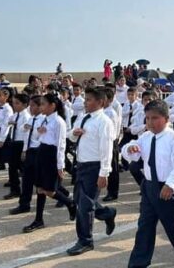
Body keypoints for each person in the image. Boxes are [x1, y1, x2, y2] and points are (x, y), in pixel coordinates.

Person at [122, 99, 174, 268]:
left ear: (166, 118)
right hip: (149, 187)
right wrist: (130, 148)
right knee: (144, 227)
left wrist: (171, 185)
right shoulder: (146, 137)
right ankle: (138, 263)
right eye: (147, 118)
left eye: (155, 118)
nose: (150, 122)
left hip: (168, 189)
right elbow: (132, 149)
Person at [66, 87, 117, 256]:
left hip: (94, 167)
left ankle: (85, 241)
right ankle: (107, 213)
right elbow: (71, 136)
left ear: (100, 102)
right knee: (82, 200)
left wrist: (104, 173)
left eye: (88, 99)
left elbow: (106, 149)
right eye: (85, 99)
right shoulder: (83, 117)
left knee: (85, 206)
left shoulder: (104, 121)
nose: (85, 102)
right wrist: (74, 133)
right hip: (80, 165)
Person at [23, 94, 77, 233]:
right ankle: (38, 219)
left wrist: (60, 166)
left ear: (52, 105)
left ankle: (69, 203)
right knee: (40, 188)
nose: (41, 107)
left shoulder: (58, 121)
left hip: (52, 155)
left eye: (43, 104)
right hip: (42, 151)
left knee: (49, 190)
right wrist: (39, 132)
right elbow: (38, 136)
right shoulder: (45, 120)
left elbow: (61, 145)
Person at [9, 96, 45, 215]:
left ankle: (63, 195)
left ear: (41, 106)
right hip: (29, 151)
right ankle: (24, 204)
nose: (31, 108)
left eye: (34, 105)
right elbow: (24, 133)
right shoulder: (31, 119)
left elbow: (42, 138)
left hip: (39, 152)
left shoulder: (43, 120)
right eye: (30, 105)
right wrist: (24, 150)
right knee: (27, 180)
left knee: (41, 182)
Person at [3, 94, 31, 200]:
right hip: (14, 142)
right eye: (14, 103)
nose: (14, 105)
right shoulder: (15, 115)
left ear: (24, 104)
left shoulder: (26, 116)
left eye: (17, 103)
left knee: (22, 168)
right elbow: (6, 123)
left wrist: (24, 149)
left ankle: (27, 187)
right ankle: (15, 189)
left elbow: (25, 132)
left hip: (21, 143)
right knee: (12, 167)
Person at [129, 90, 157, 187]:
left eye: (150, 100)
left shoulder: (159, 115)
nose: (148, 102)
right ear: (142, 102)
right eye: (145, 100)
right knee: (133, 167)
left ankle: (153, 187)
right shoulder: (139, 114)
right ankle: (144, 185)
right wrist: (144, 127)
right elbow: (133, 130)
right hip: (143, 146)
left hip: (156, 146)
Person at [102, 88, 122, 202]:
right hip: (104, 142)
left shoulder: (111, 112)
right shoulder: (103, 111)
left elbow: (112, 130)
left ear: (109, 99)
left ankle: (113, 191)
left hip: (110, 141)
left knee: (113, 168)